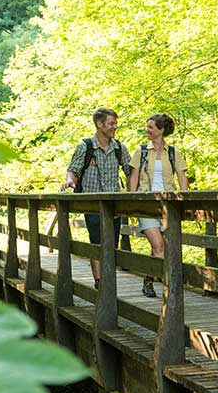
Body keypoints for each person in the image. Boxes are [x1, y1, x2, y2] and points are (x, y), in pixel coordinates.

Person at [62, 108, 130, 286]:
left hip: (114, 206)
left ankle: (108, 278)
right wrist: (70, 181)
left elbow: (131, 171)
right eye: (111, 123)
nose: (115, 127)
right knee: (97, 242)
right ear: (100, 125)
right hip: (91, 204)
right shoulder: (86, 146)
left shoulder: (119, 148)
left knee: (112, 245)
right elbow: (73, 170)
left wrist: (133, 193)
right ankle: (100, 281)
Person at [126, 113, 189, 297]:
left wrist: (184, 201)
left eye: (150, 127)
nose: (147, 130)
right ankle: (164, 286)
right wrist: (130, 201)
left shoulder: (173, 153)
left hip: (169, 206)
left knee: (164, 248)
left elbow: (182, 177)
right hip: (146, 205)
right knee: (159, 245)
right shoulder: (141, 151)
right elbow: (134, 177)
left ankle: (149, 280)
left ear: (161, 130)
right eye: (147, 126)